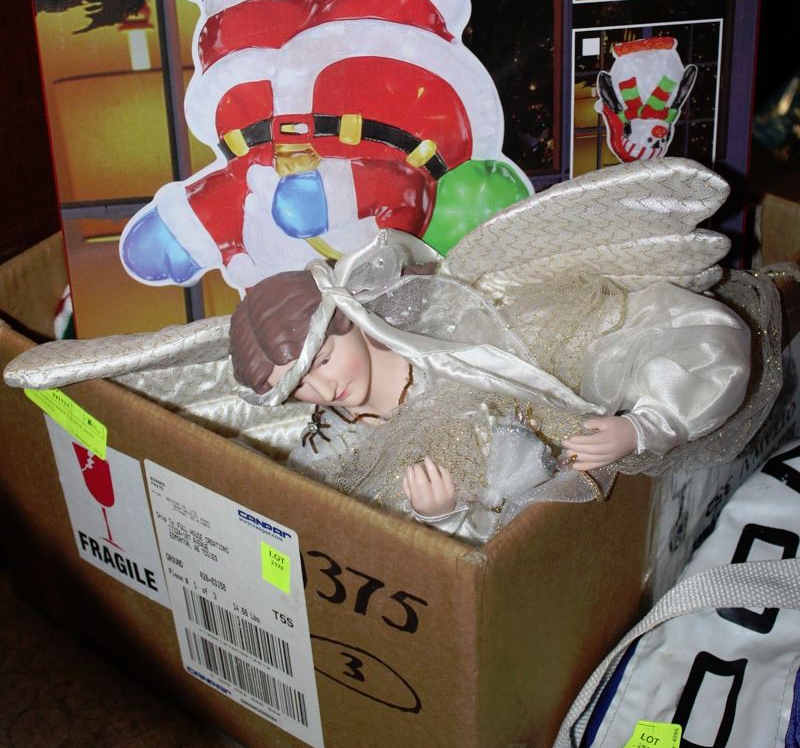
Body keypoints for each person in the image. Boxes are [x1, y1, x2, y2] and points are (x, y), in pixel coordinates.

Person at [4, 158, 782, 543]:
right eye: (298, 390)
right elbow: (414, 560)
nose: (321, 392)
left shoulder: (490, 319)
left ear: (349, 320)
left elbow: (699, 337)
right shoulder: (351, 450)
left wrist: (644, 426)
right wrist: (445, 515)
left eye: (319, 362)